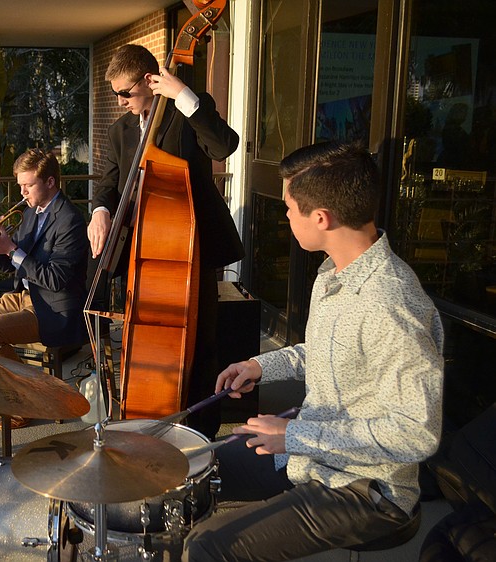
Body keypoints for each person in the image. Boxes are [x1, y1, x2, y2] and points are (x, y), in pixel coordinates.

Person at [182, 142, 444, 561]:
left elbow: (416, 433)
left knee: (208, 546)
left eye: (289, 208)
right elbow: (319, 351)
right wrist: (257, 365)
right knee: (186, 473)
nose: (284, 215)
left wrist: (293, 434)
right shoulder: (332, 273)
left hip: (366, 489)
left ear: (321, 218)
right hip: (307, 455)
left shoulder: (392, 303)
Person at [88, 44, 244, 437]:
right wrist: (100, 211)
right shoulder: (119, 130)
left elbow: (224, 146)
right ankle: (147, 430)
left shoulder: (186, 111)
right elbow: (109, 182)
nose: (120, 101)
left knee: (199, 351)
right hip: (142, 252)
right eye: (115, 94)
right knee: (142, 344)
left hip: (189, 249)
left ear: (149, 80)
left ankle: (200, 441)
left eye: (126, 92)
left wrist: (184, 97)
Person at [0, 148, 89, 429]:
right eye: (20, 185)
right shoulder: (32, 212)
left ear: (50, 182)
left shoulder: (70, 219)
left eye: (27, 185)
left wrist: (12, 250)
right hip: (22, 296)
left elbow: (56, 279)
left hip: (51, 307)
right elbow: (11, 265)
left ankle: (24, 401)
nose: (22, 193)